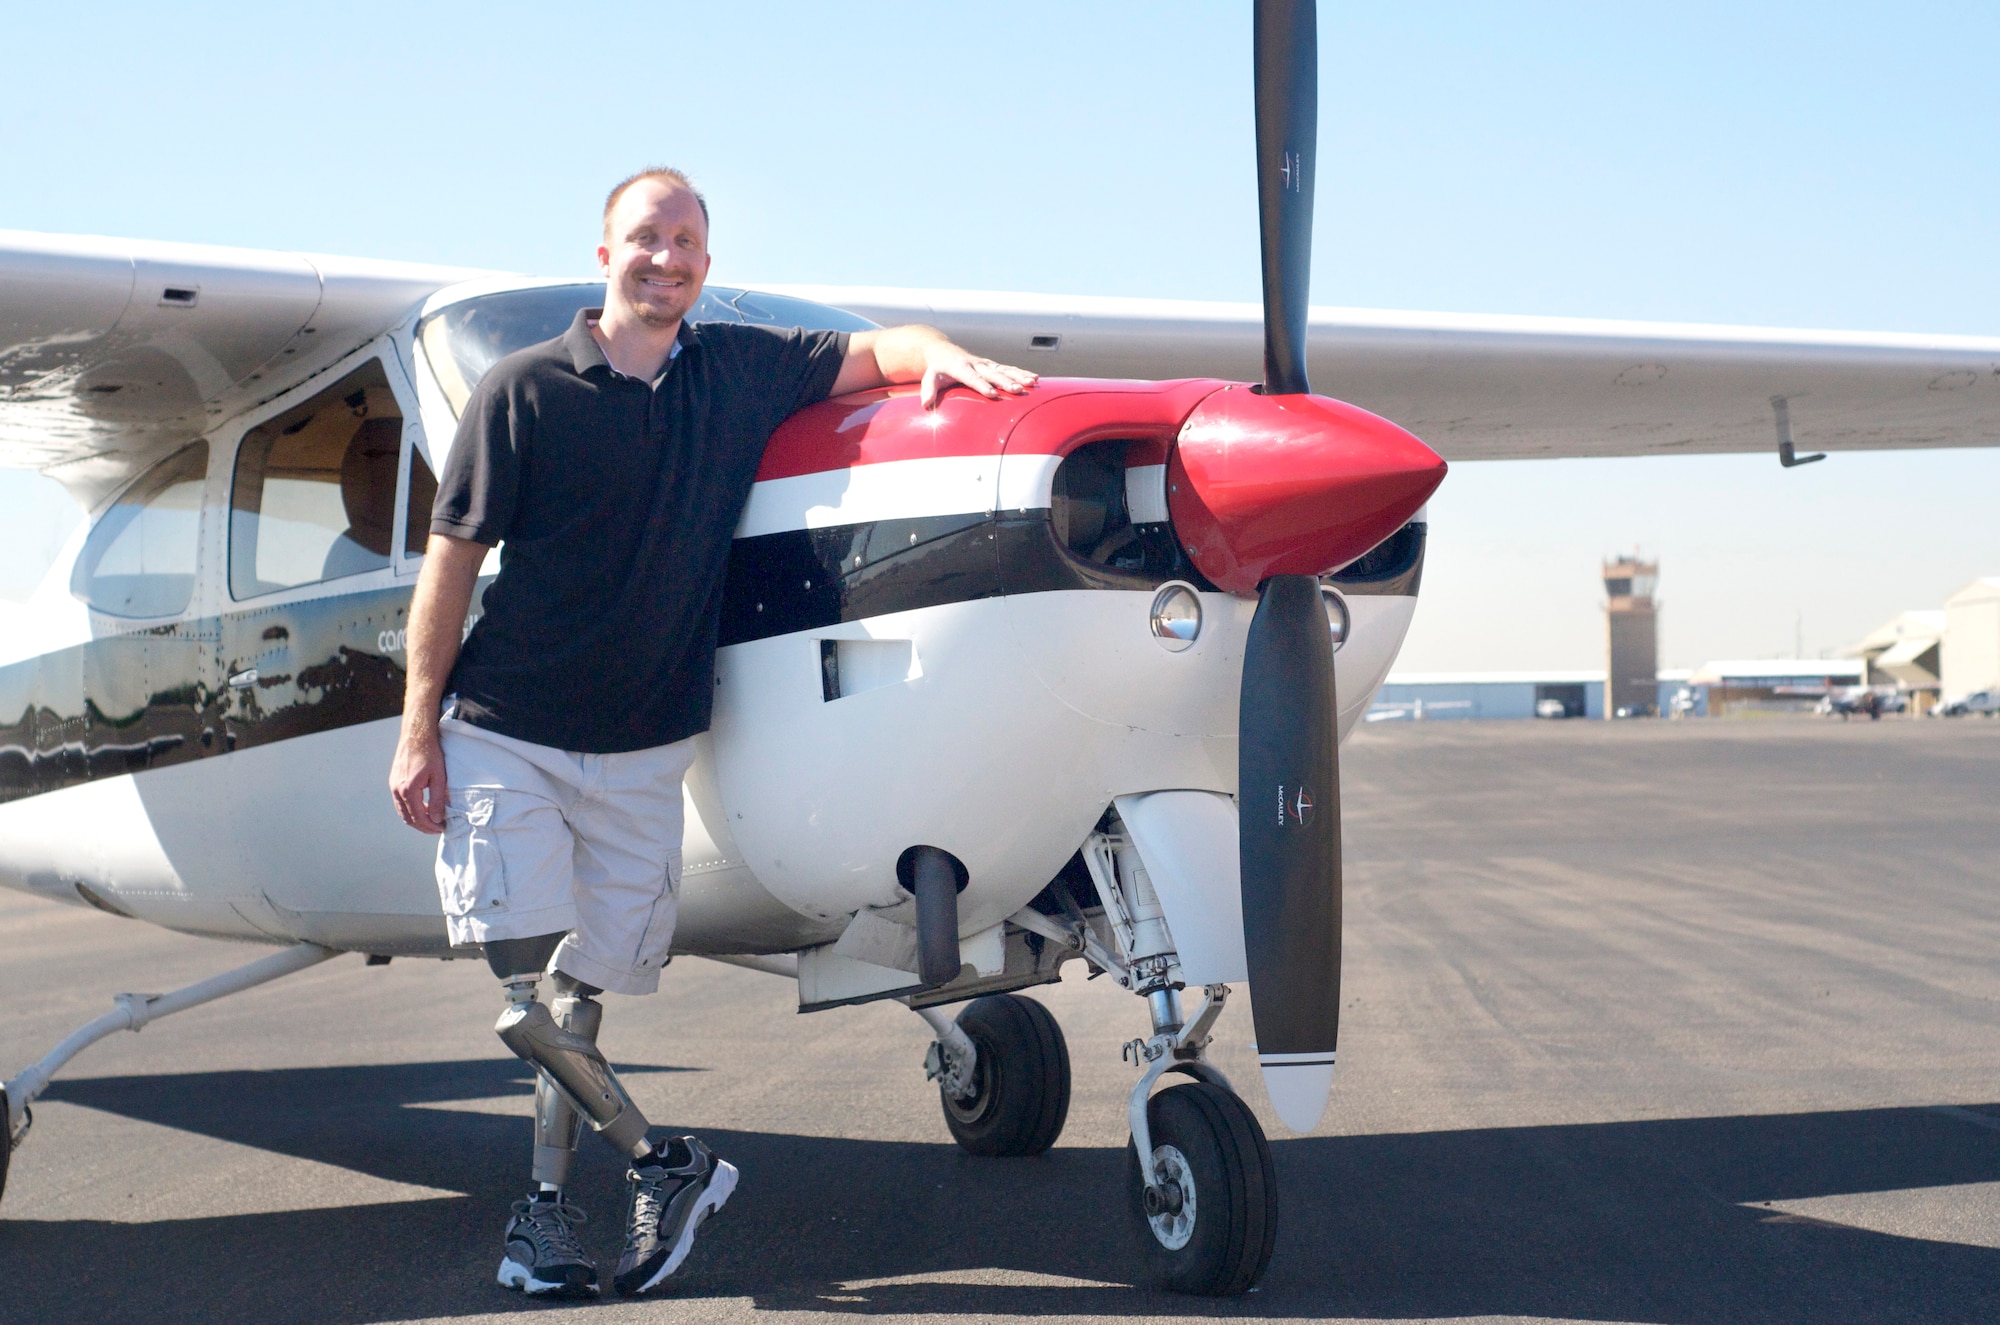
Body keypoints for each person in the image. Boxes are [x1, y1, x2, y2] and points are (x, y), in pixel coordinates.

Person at [388, 167, 1036, 1299]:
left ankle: (541, 1220)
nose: (667, 257)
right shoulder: (522, 388)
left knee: (580, 998)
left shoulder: (738, 371)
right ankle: (662, 1157)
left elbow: (880, 351)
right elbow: (450, 560)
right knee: (521, 995)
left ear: (704, 260)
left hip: (644, 748)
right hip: (509, 728)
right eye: (646, 237)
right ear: (605, 253)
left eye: (687, 240)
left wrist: (943, 355)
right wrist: (418, 729)